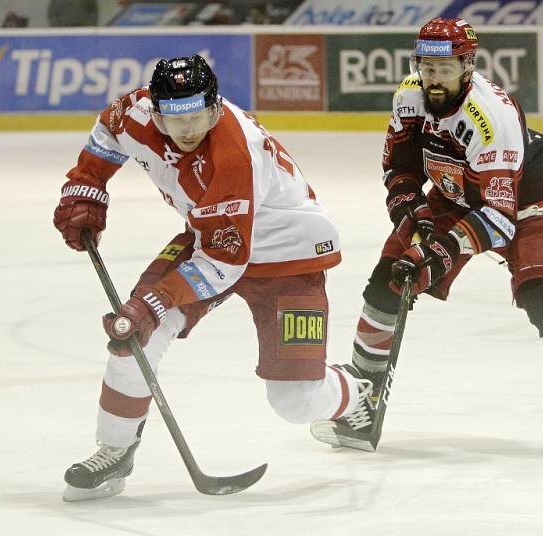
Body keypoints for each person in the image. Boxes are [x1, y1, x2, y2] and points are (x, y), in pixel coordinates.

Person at [309, 18, 543, 455]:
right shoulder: (409, 97)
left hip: (526, 206)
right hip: (454, 196)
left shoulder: (491, 118)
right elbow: (400, 170)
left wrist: (439, 253)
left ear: (467, 65)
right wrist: (414, 213)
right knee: (386, 285)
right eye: (426, 67)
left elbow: (499, 218)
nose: (432, 78)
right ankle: (362, 402)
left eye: (444, 68)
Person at [53, 55, 372, 501]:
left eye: (197, 117)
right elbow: (108, 130)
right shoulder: (137, 111)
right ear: (156, 110)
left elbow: (223, 264)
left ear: (216, 108)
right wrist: (88, 185)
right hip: (211, 237)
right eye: (174, 119)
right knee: (135, 334)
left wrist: (156, 300)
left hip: (289, 256)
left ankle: (355, 391)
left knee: (295, 403)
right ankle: (114, 450)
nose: (185, 131)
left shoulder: (230, 156)